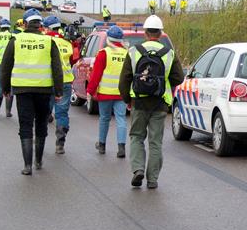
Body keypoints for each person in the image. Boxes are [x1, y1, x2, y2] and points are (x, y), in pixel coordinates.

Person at [119, 15, 183, 189]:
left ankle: (138, 169)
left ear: (145, 32)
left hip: (138, 102)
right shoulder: (169, 53)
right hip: (160, 103)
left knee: (136, 137)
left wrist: (127, 99)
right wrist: (162, 83)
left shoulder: (133, 51)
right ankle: (152, 179)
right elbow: (179, 77)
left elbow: (124, 80)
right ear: (161, 33)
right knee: (155, 142)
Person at [0, 9, 64, 175]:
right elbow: (57, 69)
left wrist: (6, 89)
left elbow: (5, 67)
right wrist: (58, 90)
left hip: (22, 90)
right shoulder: (49, 42)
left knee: (25, 125)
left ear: (25, 24)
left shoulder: (16, 40)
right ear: (40, 24)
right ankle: (39, 161)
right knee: (41, 123)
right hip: (44, 90)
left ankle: (27, 166)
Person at [87, 26, 128, 158]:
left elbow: (96, 75)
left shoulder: (104, 53)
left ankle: (102, 145)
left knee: (104, 119)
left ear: (108, 39)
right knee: (121, 119)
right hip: (121, 94)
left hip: (105, 93)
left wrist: (90, 91)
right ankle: (121, 147)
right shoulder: (127, 54)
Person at [43, 16, 77, 154]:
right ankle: (60, 144)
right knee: (62, 113)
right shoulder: (66, 43)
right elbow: (73, 59)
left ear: (48, 28)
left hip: (48, 81)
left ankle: (40, 140)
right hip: (66, 82)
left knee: (44, 111)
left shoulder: (46, 41)